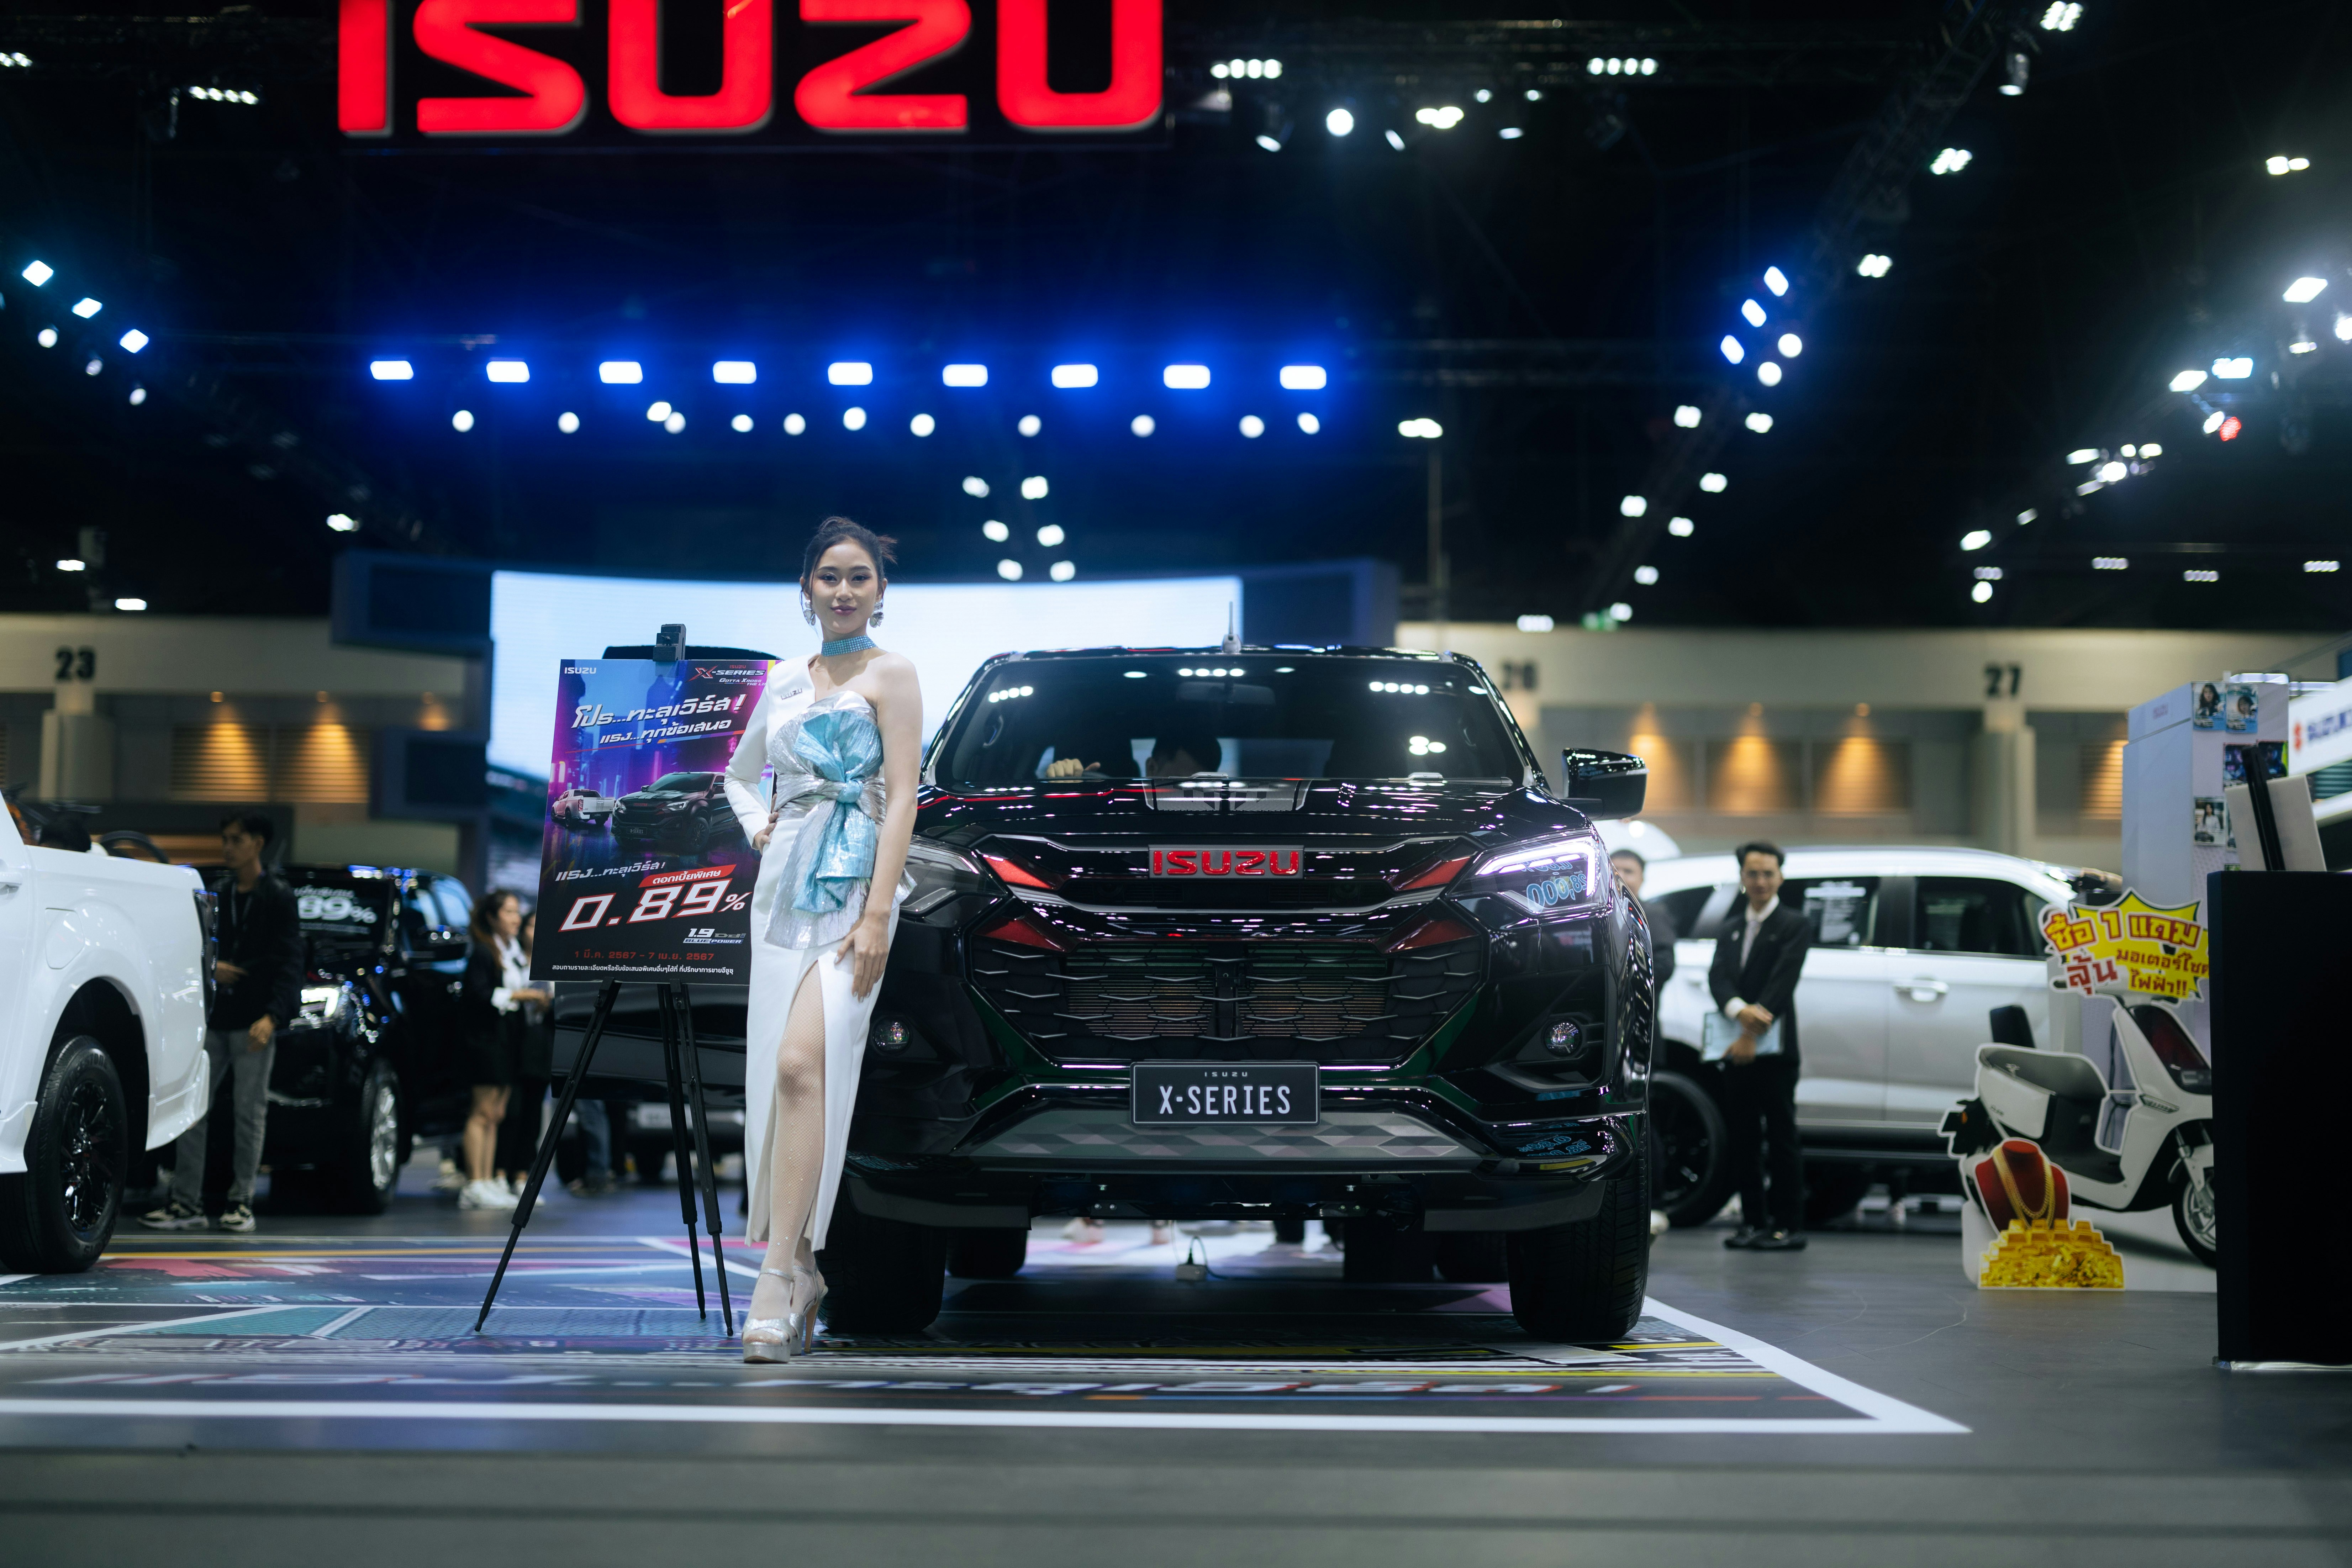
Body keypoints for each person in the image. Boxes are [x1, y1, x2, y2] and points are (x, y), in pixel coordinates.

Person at [724, 517, 922, 1363]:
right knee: (776, 1074)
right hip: (781, 893)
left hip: (853, 894)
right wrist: (759, 823)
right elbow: (739, 775)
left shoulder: (893, 673)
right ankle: (800, 1265)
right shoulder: (780, 682)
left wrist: (880, 911)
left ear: (881, 589)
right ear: (805, 587)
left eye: (859, 577)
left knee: (808, 1062)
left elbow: (906, 796)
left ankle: (777, 1271)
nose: (843, 591)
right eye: (829, 577)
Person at [141, 812, 302, 1233]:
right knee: (192, 1111)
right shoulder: (219, 893)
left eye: (236, 840)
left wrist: (272, 1017)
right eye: (225, 840)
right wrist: (214, 971)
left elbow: (290, 964)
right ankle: (187, 1203)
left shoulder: (278, 897)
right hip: (214, 1019)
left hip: (254, 1021)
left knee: (250, 1113)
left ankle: (240, 1202)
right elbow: (195, 953)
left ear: (258, 843)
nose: (227, 847)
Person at [1706, 840, 1811, 1252]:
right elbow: (1719, 978)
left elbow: (1782, 984)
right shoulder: (1730, 926)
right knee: (1743, 1138)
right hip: (1736, 1048)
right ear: (1742, 878)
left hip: (1775, 1050)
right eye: (1753, 873)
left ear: (1780, 877)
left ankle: (1787, 1225)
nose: (1761, 881)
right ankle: (1752, 1223)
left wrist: (1751, 1032)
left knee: (1782, 1136)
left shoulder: (1794, 924)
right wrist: (1737, 1011)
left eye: (1768, 873)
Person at [458, 889, 550, 1212]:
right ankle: (474, 1182)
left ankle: (489, 1180)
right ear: (492, 916)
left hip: (507, 1040)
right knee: (482, 1112)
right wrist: (521, 995)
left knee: (496, 1114)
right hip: (487, 1041)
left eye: (516, 912)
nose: (515, 919)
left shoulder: (507, 952)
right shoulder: (484, 953)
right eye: (509, 912)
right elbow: (477, 995)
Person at [497, 910, 556, 1195]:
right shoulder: (510, 958)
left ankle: (522, 1176)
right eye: (532, 925)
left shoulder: (555, 963)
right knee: (510, 1112)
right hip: (512, 1044)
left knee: (533, 1115)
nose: (536, 931)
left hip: (541, 1046)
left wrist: (549, 1004)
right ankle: (499, 1174)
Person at [1609, 848, 1676, 986]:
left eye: (1629, 871)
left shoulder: (1652, 914)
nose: (1620, 876)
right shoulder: (1597, 915)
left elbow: (1664, 965)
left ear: (1642, 879)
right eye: (1614, 870)